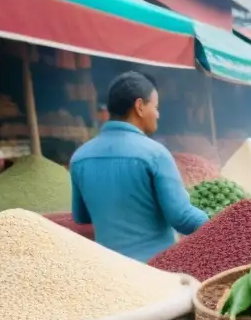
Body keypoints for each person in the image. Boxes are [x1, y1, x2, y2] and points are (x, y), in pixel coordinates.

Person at [70, 71, 207, 262]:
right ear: (140, 106)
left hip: (106, 269)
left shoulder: (79, 158)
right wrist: (218, 225)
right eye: (155, 107)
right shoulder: (155, 154)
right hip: (154, 270)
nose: (158, 114)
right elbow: (182, 218)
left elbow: (81, 217)